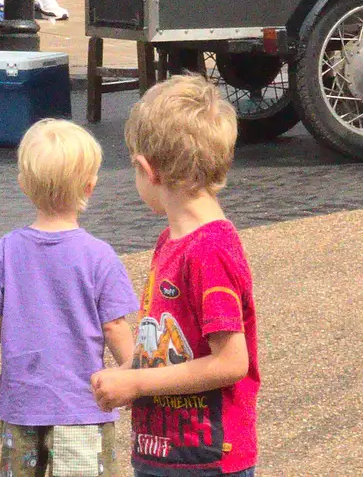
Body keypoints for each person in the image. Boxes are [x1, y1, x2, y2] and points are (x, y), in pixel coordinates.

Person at [91, 77, 259, 477]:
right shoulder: (172, 241)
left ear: (149, 170)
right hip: (166, 451)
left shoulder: (208, 251)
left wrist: (137, 385)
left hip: (206, 457)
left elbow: (232, 362)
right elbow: (172, 346)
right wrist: (129, 370)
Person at [0, 119, 139, 477]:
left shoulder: (6, 250)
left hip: (22, 403)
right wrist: (133, 374)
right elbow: (113, 325)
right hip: (83, 404)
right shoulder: (99, 256)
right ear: (90, 187)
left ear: (23, 185)